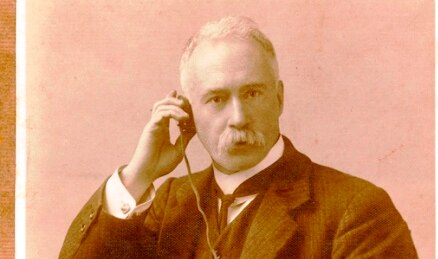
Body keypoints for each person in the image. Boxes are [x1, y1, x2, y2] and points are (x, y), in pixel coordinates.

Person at [59, 16, 418, 258]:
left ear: (279, 98)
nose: (238, 118)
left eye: (253, 94)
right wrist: (139, 175)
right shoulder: (170, 204)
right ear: (187, 112)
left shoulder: (357, 210)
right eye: (216, 99)